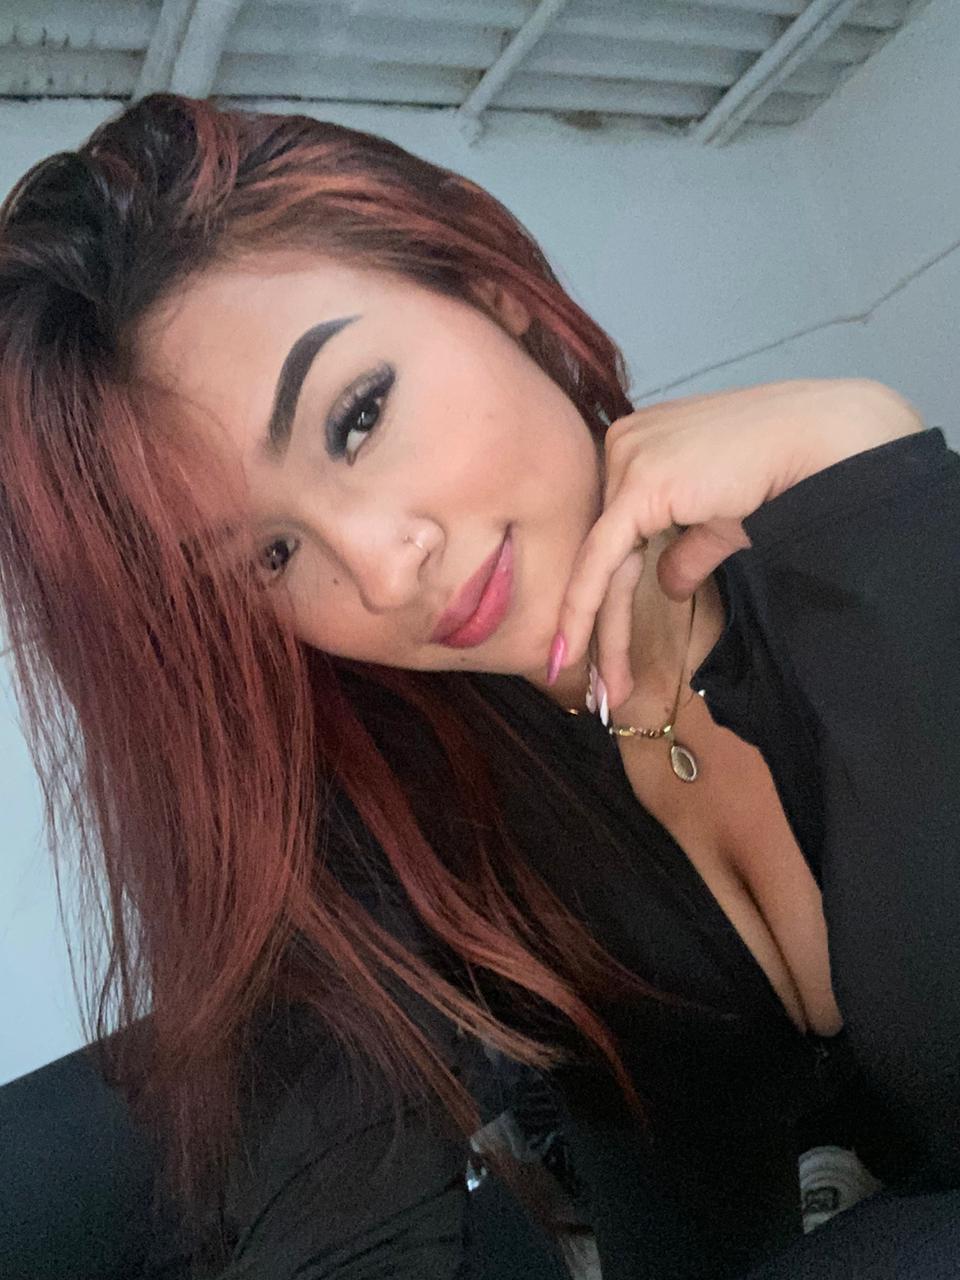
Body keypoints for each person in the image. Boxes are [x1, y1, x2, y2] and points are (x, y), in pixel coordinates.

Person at [0, 93, 957, 1280]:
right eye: (270, 555)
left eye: (357, 417)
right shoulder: (399, 806)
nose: (380, 567)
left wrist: (872, 475)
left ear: (494, 290)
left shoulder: (874, 538)